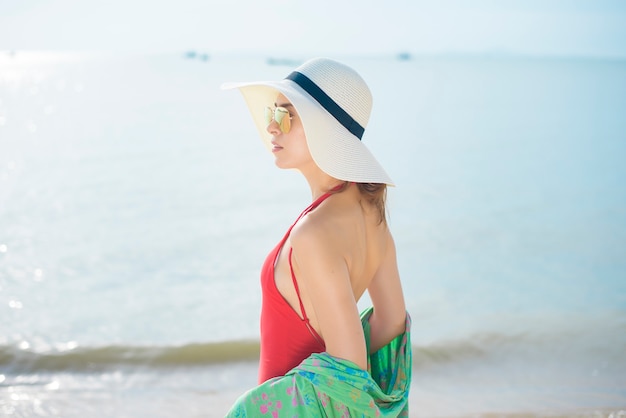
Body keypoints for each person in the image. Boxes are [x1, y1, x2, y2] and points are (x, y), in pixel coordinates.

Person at [222, 57, 411, 417]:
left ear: (324, 127)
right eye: (271, 115)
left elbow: (348, 372)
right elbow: (391, 323)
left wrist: (255, 408)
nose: (272, 128)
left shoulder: (313, 233)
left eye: (286, 115)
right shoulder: (370, 213)